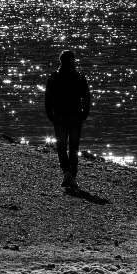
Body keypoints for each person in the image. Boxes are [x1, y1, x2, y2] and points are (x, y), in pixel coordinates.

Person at [44, 50, 92, 187]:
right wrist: (85, 113)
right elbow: (86, 97)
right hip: (75, 116)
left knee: (61, 146)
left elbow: (48, 98)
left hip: (59, 116)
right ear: (72, 61)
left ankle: (67, 173)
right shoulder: (79, 77)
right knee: (74, 147)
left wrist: (50, 114)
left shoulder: (53, 78)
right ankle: (73, 175)